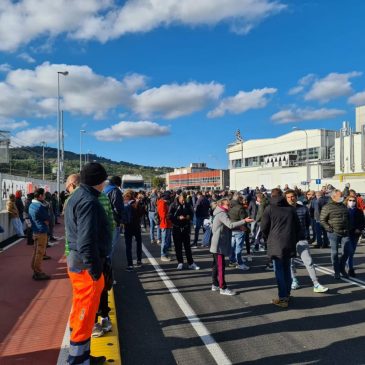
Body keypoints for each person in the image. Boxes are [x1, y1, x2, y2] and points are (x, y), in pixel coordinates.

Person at [64, 162, 110, 365]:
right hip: (86, 266)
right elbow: (86, 241)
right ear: (99, 181)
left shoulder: (76, 197)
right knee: (85, 314)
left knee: (79, 311)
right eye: (104, 179)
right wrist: (95, 269)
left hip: (77, 263)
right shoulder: (89, 202)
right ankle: (78, 360)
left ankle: (81, 354)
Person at [261, 188, 300, 308]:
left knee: (279, 271)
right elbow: (298, 227)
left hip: (275, 243)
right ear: (282, 196)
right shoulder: (290, 209)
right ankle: (286, 294)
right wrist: (293, 239)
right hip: (288, 242)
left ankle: (283, 298)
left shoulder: (269, 209)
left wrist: (268, 239)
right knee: (286, 269)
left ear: (271, 197)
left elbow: (264, 228)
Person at [285, 190, 328, 293]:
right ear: (286, 199)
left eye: (293, 196)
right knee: (290, 263)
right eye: (289, 197)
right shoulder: (284, 210)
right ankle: (293, 280)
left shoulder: (303, 209)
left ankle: (316, 284)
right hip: (288, 240)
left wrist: (304, 235)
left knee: (309, 262)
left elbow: (308, 223)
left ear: (296, 197)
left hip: (301, 240)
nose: (291, 198)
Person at [210, 198, 253, 296]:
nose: (229, 206)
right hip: (219, 245)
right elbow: (230, 225)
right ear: (222, 204)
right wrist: (244, 221)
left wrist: (239, 227)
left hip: (217, 244)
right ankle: (223, 287)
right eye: (228, 205)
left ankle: (215, 284)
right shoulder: (222, 214)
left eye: (230, 204)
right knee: (221, 266)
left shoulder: (220, 212)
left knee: (216, 266)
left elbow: (225, 226)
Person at [320, 189, 351, 279]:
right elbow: (322, 220)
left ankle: (342, 269)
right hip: (334, 233)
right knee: (335, 253)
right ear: (333, 197)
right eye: (340, 196)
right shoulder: (327, 207)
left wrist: (349, 227)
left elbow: (348, 218)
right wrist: (329, 228)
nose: (342, 197)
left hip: (345, 232)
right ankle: (336, 271)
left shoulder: (344, 206)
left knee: (347, 252)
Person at [169, 193, 200, 270]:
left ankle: (191, 263)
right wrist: (178, 217)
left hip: (186, 228)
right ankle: (180, 262)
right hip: (176, 228)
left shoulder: (188, 205)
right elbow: (169, 216)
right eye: (182, 199)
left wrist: (189, 216)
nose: (183, 201)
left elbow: (192, 213)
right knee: (178, 247)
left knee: (187, 247)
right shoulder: (173, 205)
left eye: (184, 199)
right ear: (179, 198)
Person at [28, 188, 50, 280]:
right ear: (40, 196)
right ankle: (38, 271)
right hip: (41, 231)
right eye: (44, 195)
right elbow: (47, 220)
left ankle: (34, 269)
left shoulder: (31, 205)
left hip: (35, 230)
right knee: (40, 252)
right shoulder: (40, 207)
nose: (44, 196)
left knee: (36, 251)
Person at [123, 190, 145, 271]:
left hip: (127, 226)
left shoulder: (124, 203)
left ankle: (130, 265)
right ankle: (139, 261)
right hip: (136, 226)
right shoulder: (137, 203)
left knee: (128, 246)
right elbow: (141, 214)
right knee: (138, 243)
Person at [103, 176, 125, 257]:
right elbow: (118, 208)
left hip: (104, 220)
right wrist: (122, 220)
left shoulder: (104, 190)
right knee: (111, 245)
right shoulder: (115, 191)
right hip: (113, 221)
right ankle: (107, 266)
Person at [228, 193, 250, 270]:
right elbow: (244, 220)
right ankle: (240, 263)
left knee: (232, 246)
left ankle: (232, 261)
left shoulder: (228, 205)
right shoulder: (240, 207)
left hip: (231, 228)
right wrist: (246, 228)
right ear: (239, 199)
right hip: (239, 229)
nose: (243, 200)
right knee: (238, 247)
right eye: (242, 199)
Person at [345, 195, 365, 277]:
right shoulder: (344, 210)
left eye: (354, 200)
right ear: (347, 201)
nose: (352, 202)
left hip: (356, 234)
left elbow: (363, 222)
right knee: (350, 251)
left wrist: (359, 229)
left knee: (352, 252)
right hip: (347, 233)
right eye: (350, 200)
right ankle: (351, 269)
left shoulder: (359, 211)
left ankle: (347, 265)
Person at [157, 191, 173, 261]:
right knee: (164, 241)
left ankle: (164, 254)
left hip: (166, 223)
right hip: (164, 224)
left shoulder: (163, 203)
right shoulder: (162, 203)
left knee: (166, 240)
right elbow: (162, 215)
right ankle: (163, 255)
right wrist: (169, 215)